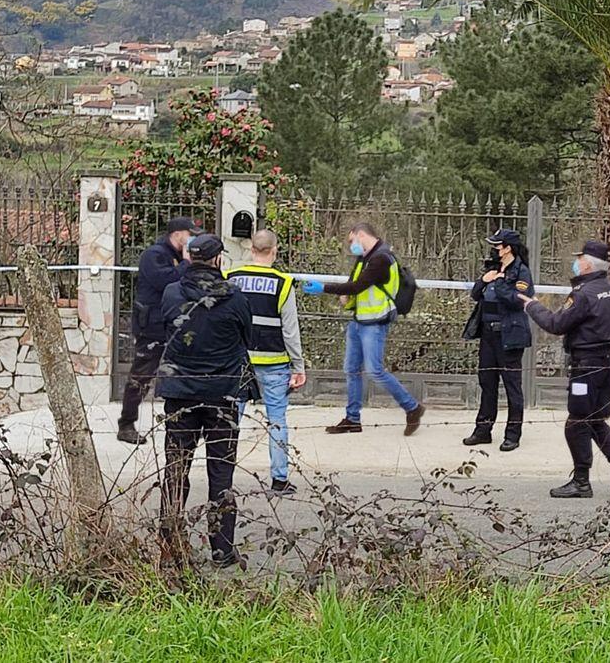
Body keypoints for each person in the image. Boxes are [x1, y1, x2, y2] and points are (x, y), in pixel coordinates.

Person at [156, 233, 252, 568]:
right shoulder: (237, 297)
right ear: (218, 260)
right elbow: (246, 337)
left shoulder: (171, 293)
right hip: (222, 395)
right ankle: (222, 550)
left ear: (189, 259)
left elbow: (162, 330)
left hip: (179, 392)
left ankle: (170, 547)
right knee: (221, 475)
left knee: (175, 469)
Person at [518, 240, 610, 499]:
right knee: (595, 420)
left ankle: (581, 481)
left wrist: (531, 306)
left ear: (586, 263)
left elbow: (556, 324)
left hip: (586, 367)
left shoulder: (584, 294)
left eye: (579, 258)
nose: (576, 262)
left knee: (577, 423)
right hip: (606, 364)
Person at [300, 223, 426, 436]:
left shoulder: (381, 259)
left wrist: (324, 288)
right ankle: (352, 419)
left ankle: (412, 407)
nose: (351, 246)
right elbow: (354, 281)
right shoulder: (366, 257)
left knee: (375, 370)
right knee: (351, 370)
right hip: (360, 321)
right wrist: (345, 295)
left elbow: (358, 286)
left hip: (375, 323)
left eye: (351, 241)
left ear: (361, 235)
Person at [227, 230, 307, 496]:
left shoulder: (231, 279)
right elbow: (290, 330)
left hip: (239, 363)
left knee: (230, 420)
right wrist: (298, 366)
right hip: (274, 363)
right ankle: (279, 479)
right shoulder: (283, 283)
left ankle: (223, 477)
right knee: (277, 420)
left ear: (251, 249)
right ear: (274, 250)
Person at [118, 216, 203, 445]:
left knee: (179, 373)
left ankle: (184, 422)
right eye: (189, 233)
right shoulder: (154, 255)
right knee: (142, 375)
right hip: (152, 328)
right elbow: (166, 282)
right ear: (177, 234)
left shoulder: (174, 256)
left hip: (170, 325)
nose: (192, 238)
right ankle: (126, 424)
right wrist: (186, 263)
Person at [462, 229, 534, 451]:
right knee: (487, 383)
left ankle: (513, 434)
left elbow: (518, 299)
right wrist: (485, 280)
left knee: (512, 386)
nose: (494, 249)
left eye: (497, 245)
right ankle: (483, 430)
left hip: (509, 335)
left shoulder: (521, 272)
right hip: (488, 334)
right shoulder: (492, 268)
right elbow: (476, 294)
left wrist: (501, 282)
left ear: (508, 247)